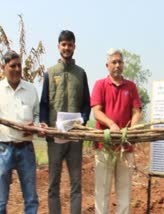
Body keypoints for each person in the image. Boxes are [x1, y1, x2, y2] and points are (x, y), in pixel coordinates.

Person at [39, 30, 91, 214]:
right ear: (58, 47)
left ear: (74, 47)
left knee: (76, 183)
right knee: (53, 184)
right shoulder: (50, 73)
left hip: (75, 138)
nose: (67, 47)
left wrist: (82, 122)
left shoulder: (81, 73)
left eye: (70, 44)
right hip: (55, 138)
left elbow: (86, 104)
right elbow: (44, 104)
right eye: (64, 44)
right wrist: (44, 123)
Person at [91, 48, 141, 214]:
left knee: (124, 193)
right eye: (114, 62)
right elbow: (96, 111)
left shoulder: (131, 86)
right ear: (107, 65)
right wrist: (112, 124)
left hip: (125, 148)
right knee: (102, 192)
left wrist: (131, 130)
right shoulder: (100, 85)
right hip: (104, 147)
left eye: (120, 62)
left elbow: (136, 112)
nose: (117, 65)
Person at [0, 50, 42, 213]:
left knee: (31, 199)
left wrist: (36, 125)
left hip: (26, 148)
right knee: (1, 201)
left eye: (19, 65)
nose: (17, 69)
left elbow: (37, 115)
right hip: (3, 149)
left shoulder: (31, 89)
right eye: (13, 66)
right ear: (3, 67)